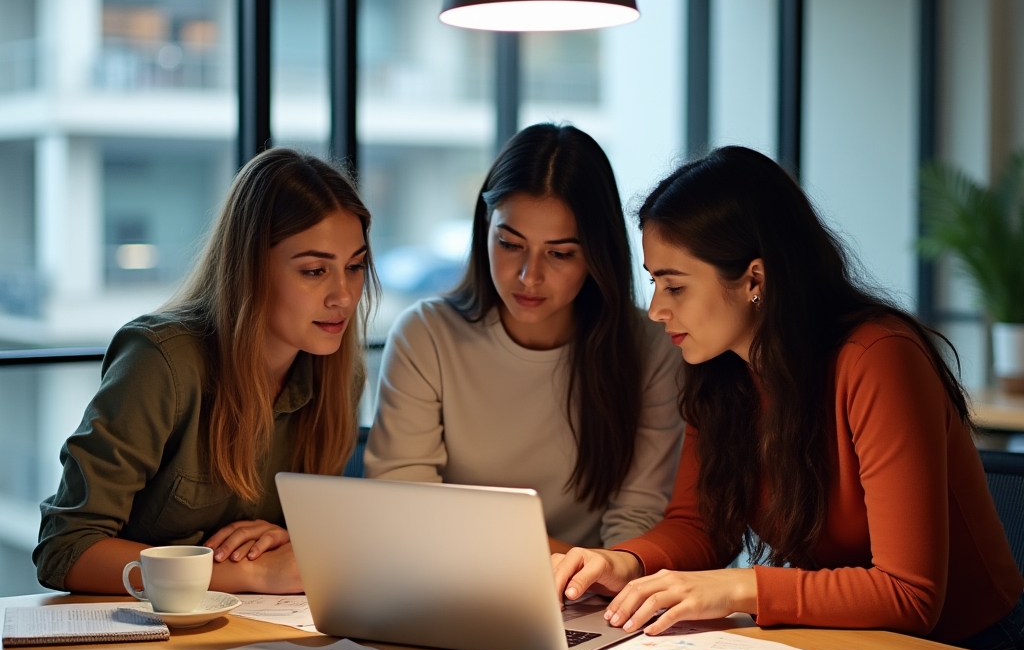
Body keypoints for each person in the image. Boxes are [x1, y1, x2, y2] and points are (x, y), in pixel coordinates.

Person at [553, 146, 1024, 650]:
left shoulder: (878, 358)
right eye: (653, 282)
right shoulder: (720, 370)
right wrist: (623, 562)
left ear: (755, 279)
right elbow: (701, 525)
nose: (656, 310)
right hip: (846, 645)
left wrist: (739, 588)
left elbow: (909, 593)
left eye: (675, 286)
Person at [34, 147, 377, 596]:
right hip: (140, 637)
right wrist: (250, 574)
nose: (344, 296)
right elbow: (65, 551)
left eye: (354, 268)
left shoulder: (337, 374)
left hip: (251, 638)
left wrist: (292, 542)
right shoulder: (161, 361)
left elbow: (309, 532)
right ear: (250, 268)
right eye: (314, 271)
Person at [366, 124, 683, 551]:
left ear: (596, 252)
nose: (529, 276)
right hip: (448, 584)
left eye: (560, 253)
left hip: (589, 598)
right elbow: (404, 509)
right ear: (485, 226)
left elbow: (637, 525)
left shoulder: (652, 348)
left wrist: (586, 574)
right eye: (510, 244)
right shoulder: (426, 336)